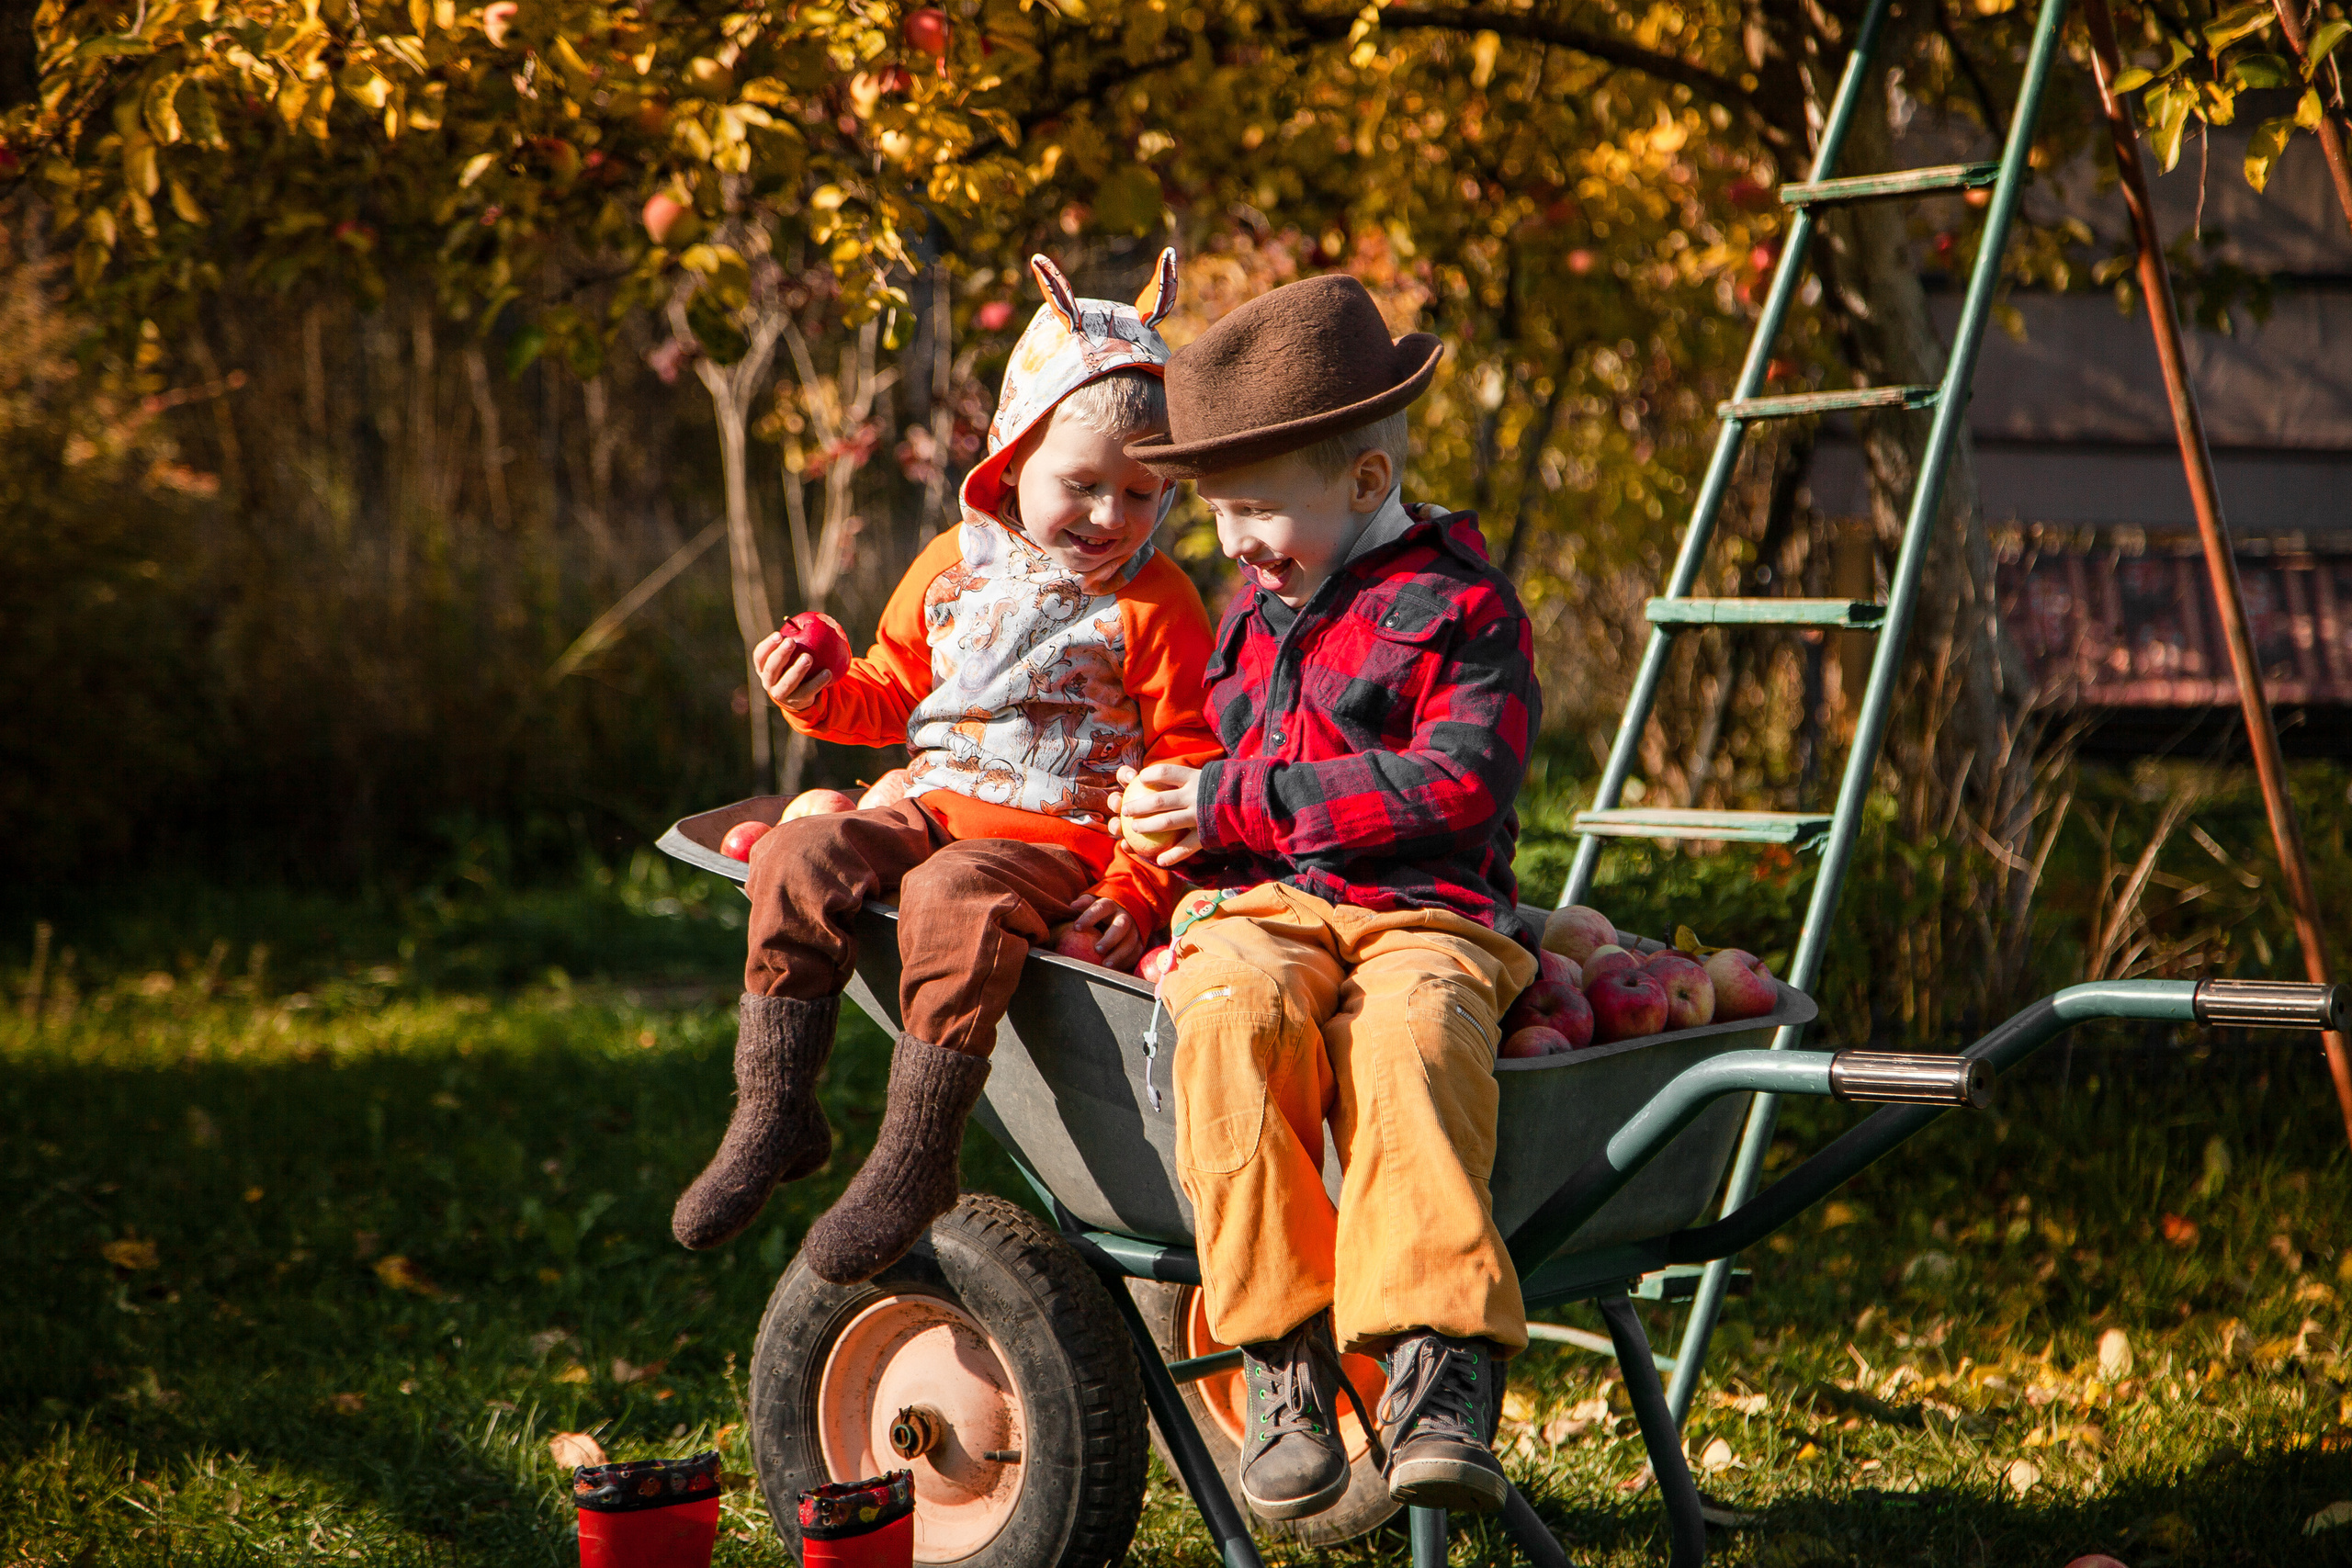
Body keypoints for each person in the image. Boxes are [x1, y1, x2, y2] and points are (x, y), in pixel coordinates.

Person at [673, 251, 1220, 1287]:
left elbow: (1184, 766)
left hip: (1054, 846)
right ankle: (775, 1108)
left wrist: (1140, 890)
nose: (1110, 516)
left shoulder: (1158, 606)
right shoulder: (950, 567)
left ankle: (919, 1155)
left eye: (1142, 493)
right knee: (795, 853)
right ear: (1014, 458)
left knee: (951, 895)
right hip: (925, 802)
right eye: (1084, 485)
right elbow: (889, 696)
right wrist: (809, 688)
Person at [1113, 274, 1541, 1519]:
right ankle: (1283, 1350)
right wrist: (1166, 827)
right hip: (1270, 911)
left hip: (1426, 912)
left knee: (1414, 1032)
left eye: (1255, 512)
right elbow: (1227, 777)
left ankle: (1435, 1367)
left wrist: (1228, 802)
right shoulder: (1253, 611)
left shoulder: (1465, 606)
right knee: (1232, 1011)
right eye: (1219, 514)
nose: (1233, 543)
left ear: (1362, 484)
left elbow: (1456, 780)